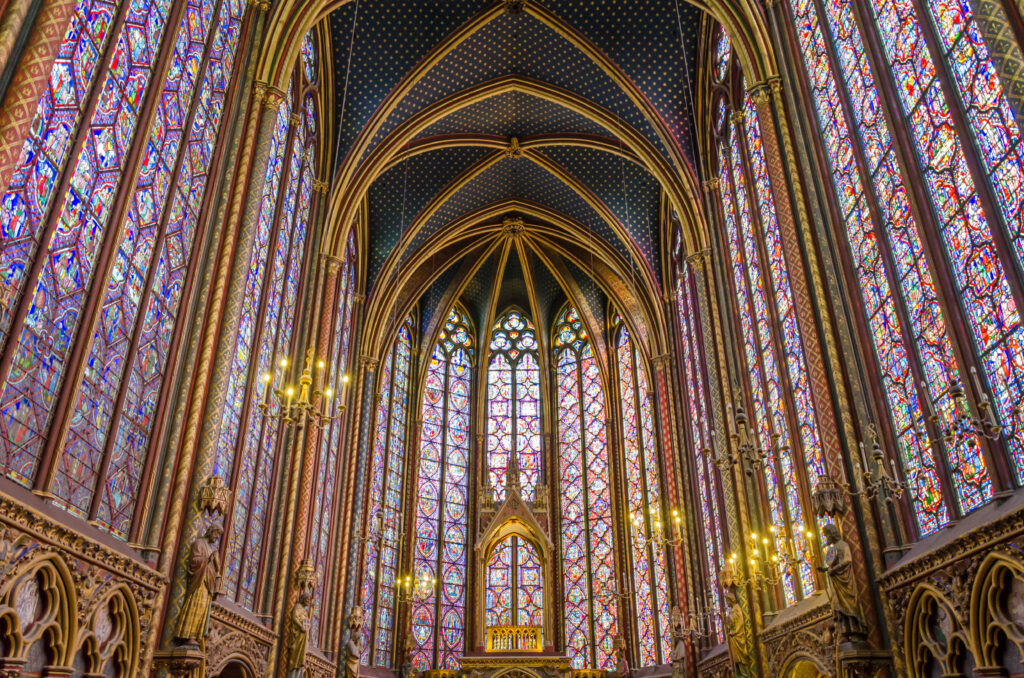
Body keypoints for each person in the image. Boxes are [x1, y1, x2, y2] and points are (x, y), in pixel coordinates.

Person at [174, 523, 223, 646]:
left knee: (202, 610)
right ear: (211, 531)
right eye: (216, 533)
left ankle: (196, 635)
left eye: (219, 535)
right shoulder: (199, 543)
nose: (217, 537)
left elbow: (216, 571)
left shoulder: (212, 549)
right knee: (194, 606)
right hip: (198, 582)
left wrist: (216, 564)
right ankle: (188, 634)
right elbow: (194, 561)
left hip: (207, 584)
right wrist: (207, 559)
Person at [818, 523, 868, 643]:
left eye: (826, 535)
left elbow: (847, 560)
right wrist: (826, 570)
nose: (826, 538)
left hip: (845, 581)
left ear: (832, 534)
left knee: (849, 606)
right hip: (837, 582)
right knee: (839, 608)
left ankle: (856, 631)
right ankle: (845, 632)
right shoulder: (834, 548)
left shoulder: (842, 545)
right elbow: (834, 563)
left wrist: (833, 570)